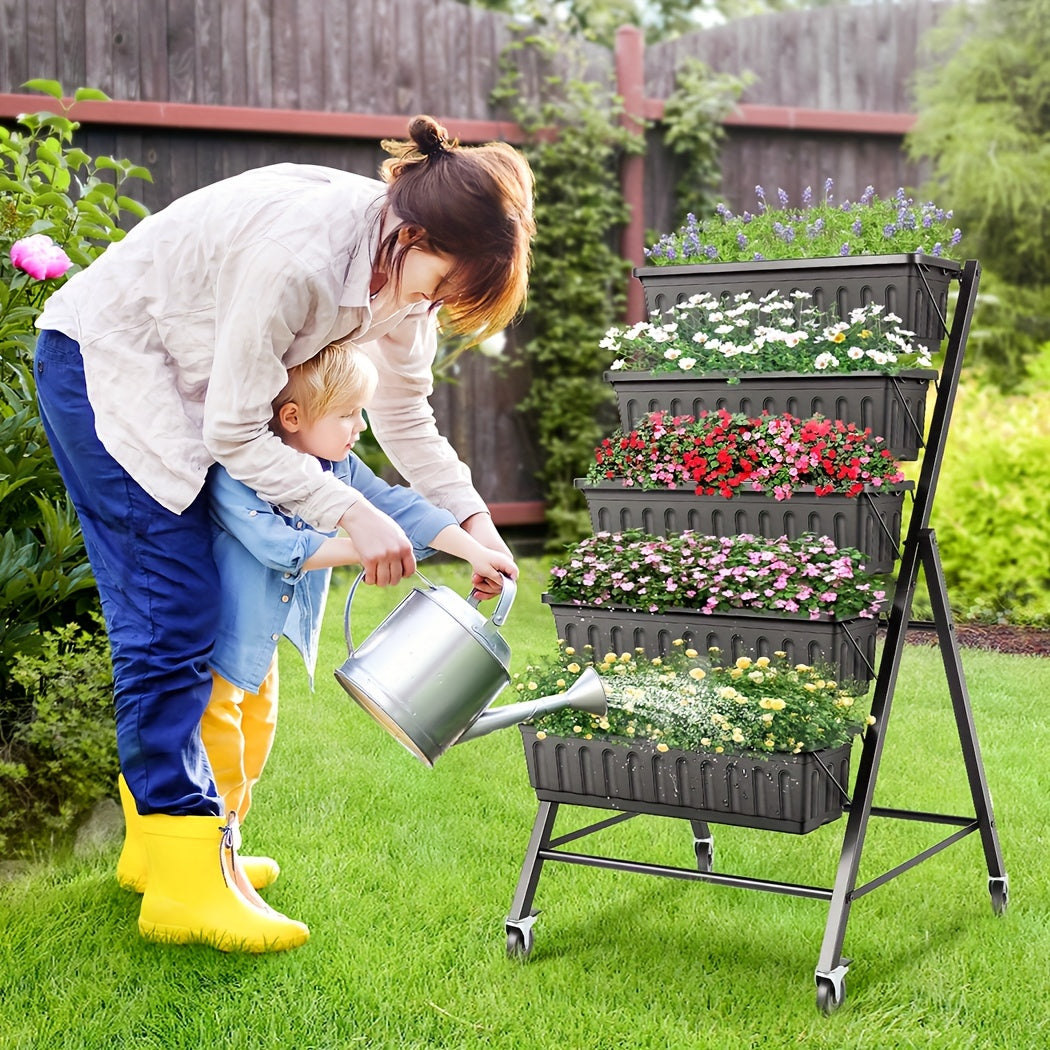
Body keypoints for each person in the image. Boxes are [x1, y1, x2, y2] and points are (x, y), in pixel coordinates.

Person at [33, 115, 534, 953]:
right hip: (105, 371)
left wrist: (473, 521)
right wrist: (355, 512)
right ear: (412, 231)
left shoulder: (402, 277)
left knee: (186, 612)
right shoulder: (302, 257)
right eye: (443, 282)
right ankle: (186, 883)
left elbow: (405, 414)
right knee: (173, 614)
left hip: (190, 388)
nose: (437, 305)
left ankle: (161, 852)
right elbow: (237, 432)